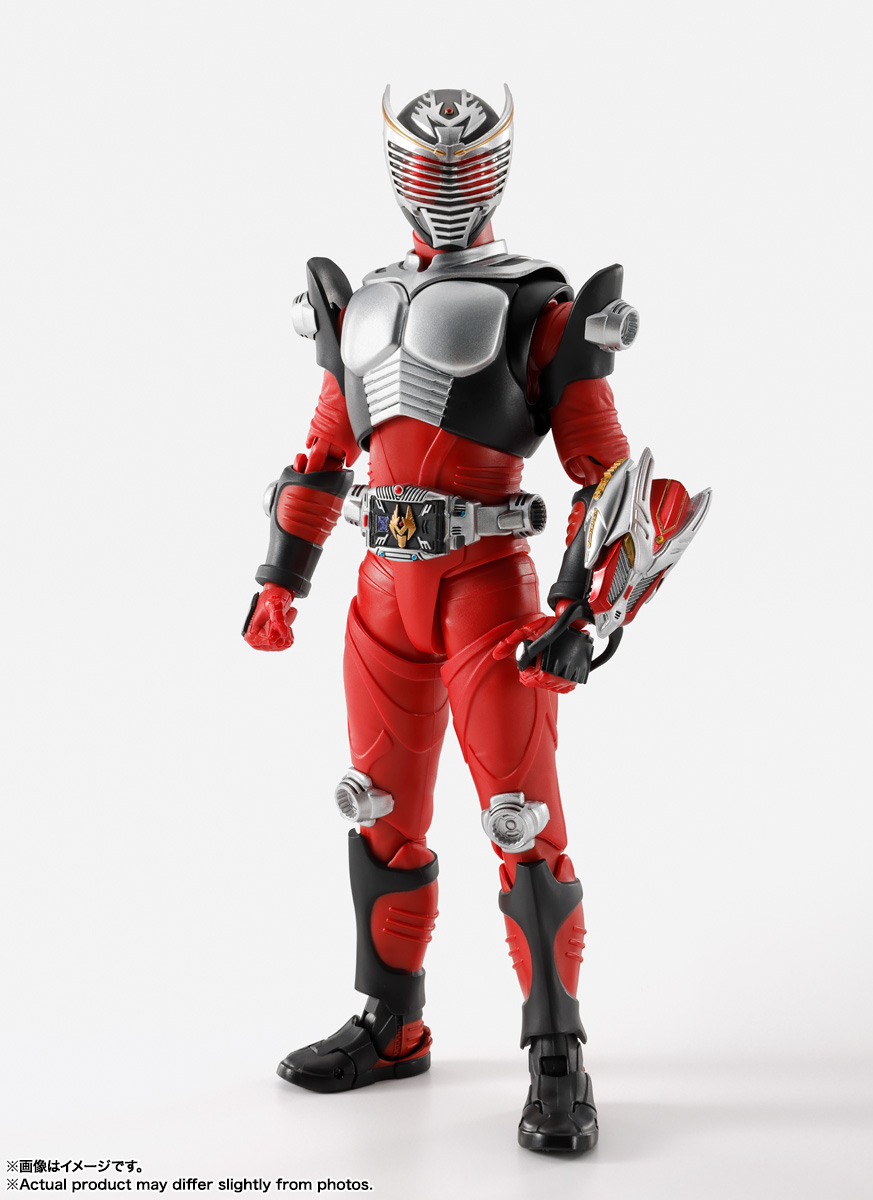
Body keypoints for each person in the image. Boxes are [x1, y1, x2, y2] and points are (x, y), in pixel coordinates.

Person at [243, 85, 709, 1154]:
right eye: (428, 164)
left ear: (499, 164)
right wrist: (281, 579)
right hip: (382, 592)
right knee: (378, 809)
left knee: (522, 821)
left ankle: (556, 1053)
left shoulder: (537, 304)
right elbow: (324, 451)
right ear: (395, 166)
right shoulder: (365, 305)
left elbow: (606, 473)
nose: (447, 181)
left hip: (489, 587)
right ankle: (391, 1023)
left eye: (467, 161)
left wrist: (584, 609)